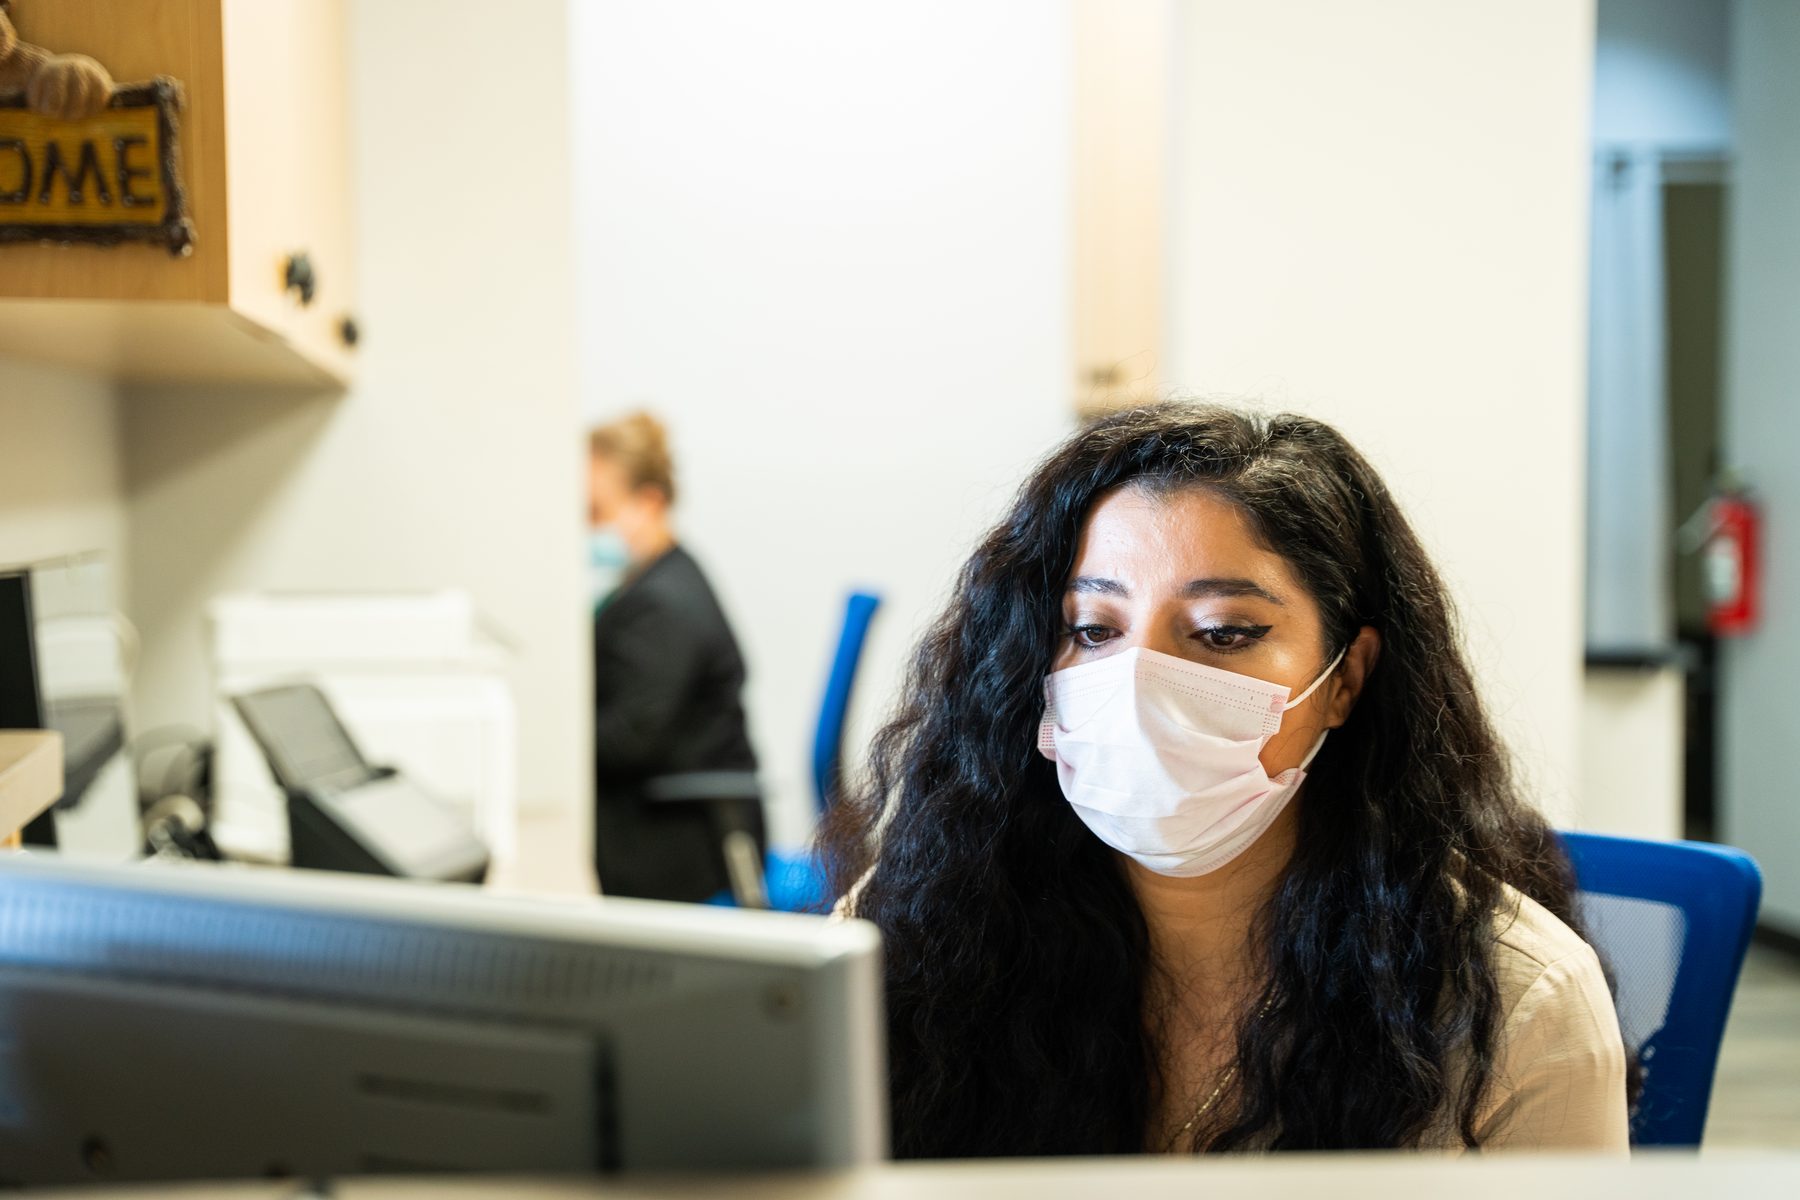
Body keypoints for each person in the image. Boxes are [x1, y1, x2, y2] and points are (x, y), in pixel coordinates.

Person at [823, 403, 1629, 1156]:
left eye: (1223, 633)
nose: (1142, 684)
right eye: (1094, 630)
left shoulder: (1520, 1007)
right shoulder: (909, 933)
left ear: (1346, 679)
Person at [588, 411, 763, 902]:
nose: (585, 529)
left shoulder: (662, 604)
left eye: (595, 512)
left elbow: (629, 738)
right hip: (678, 823)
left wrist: (547, 746)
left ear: (649, 502)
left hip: (686, 842)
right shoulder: (660, 581)